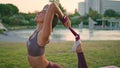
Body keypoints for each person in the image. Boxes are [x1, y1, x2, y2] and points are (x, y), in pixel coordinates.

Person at [26, 2, 71, 68]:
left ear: (47, 19)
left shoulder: (44, 34)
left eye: (43, 12)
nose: (38, 13)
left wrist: (62, 18)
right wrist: (44, 10)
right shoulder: (37, 30)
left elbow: (52, 6)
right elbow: (48, 6)